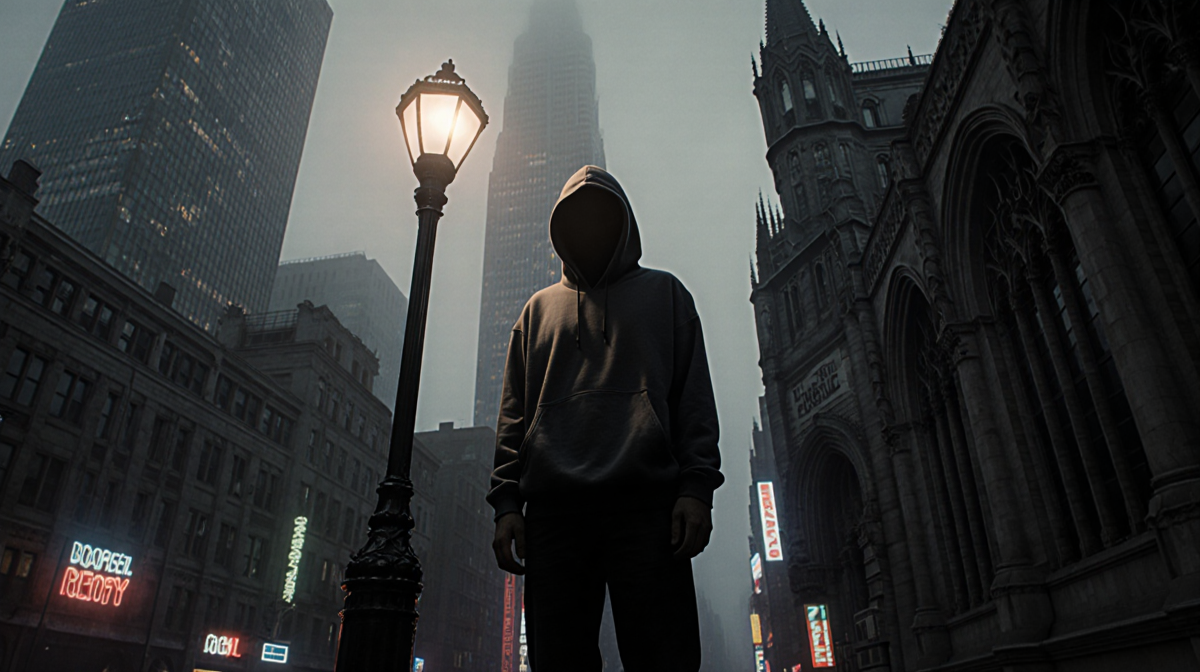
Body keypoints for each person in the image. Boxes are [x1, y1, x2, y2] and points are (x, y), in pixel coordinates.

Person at [488, 165, 724, 670]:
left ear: (623, 222)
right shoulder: (536, 312)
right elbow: (513, 415)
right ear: (561, 228)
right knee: (558, 660)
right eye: (580, 217)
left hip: (649, 508)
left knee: (664, 658)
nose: (591, 227)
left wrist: (696, 490)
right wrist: (507, 503)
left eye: (602, 215)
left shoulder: (667, 295)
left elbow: (694, 404)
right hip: (554, 515)